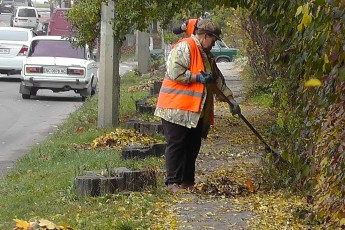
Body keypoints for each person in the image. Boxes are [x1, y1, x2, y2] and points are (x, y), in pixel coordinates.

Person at [154, 19, 241, 193]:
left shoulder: (207, 55)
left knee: (192, 146)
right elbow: (175, 72)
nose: (214, 43)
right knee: (177, 145)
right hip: (175, 109)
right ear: (205, 36)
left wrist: (231, 100)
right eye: (213, 39)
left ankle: (187, 181)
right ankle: (173, 183)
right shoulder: (185, 47)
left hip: (194, 111)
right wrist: (197, 78)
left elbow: (217, 81)